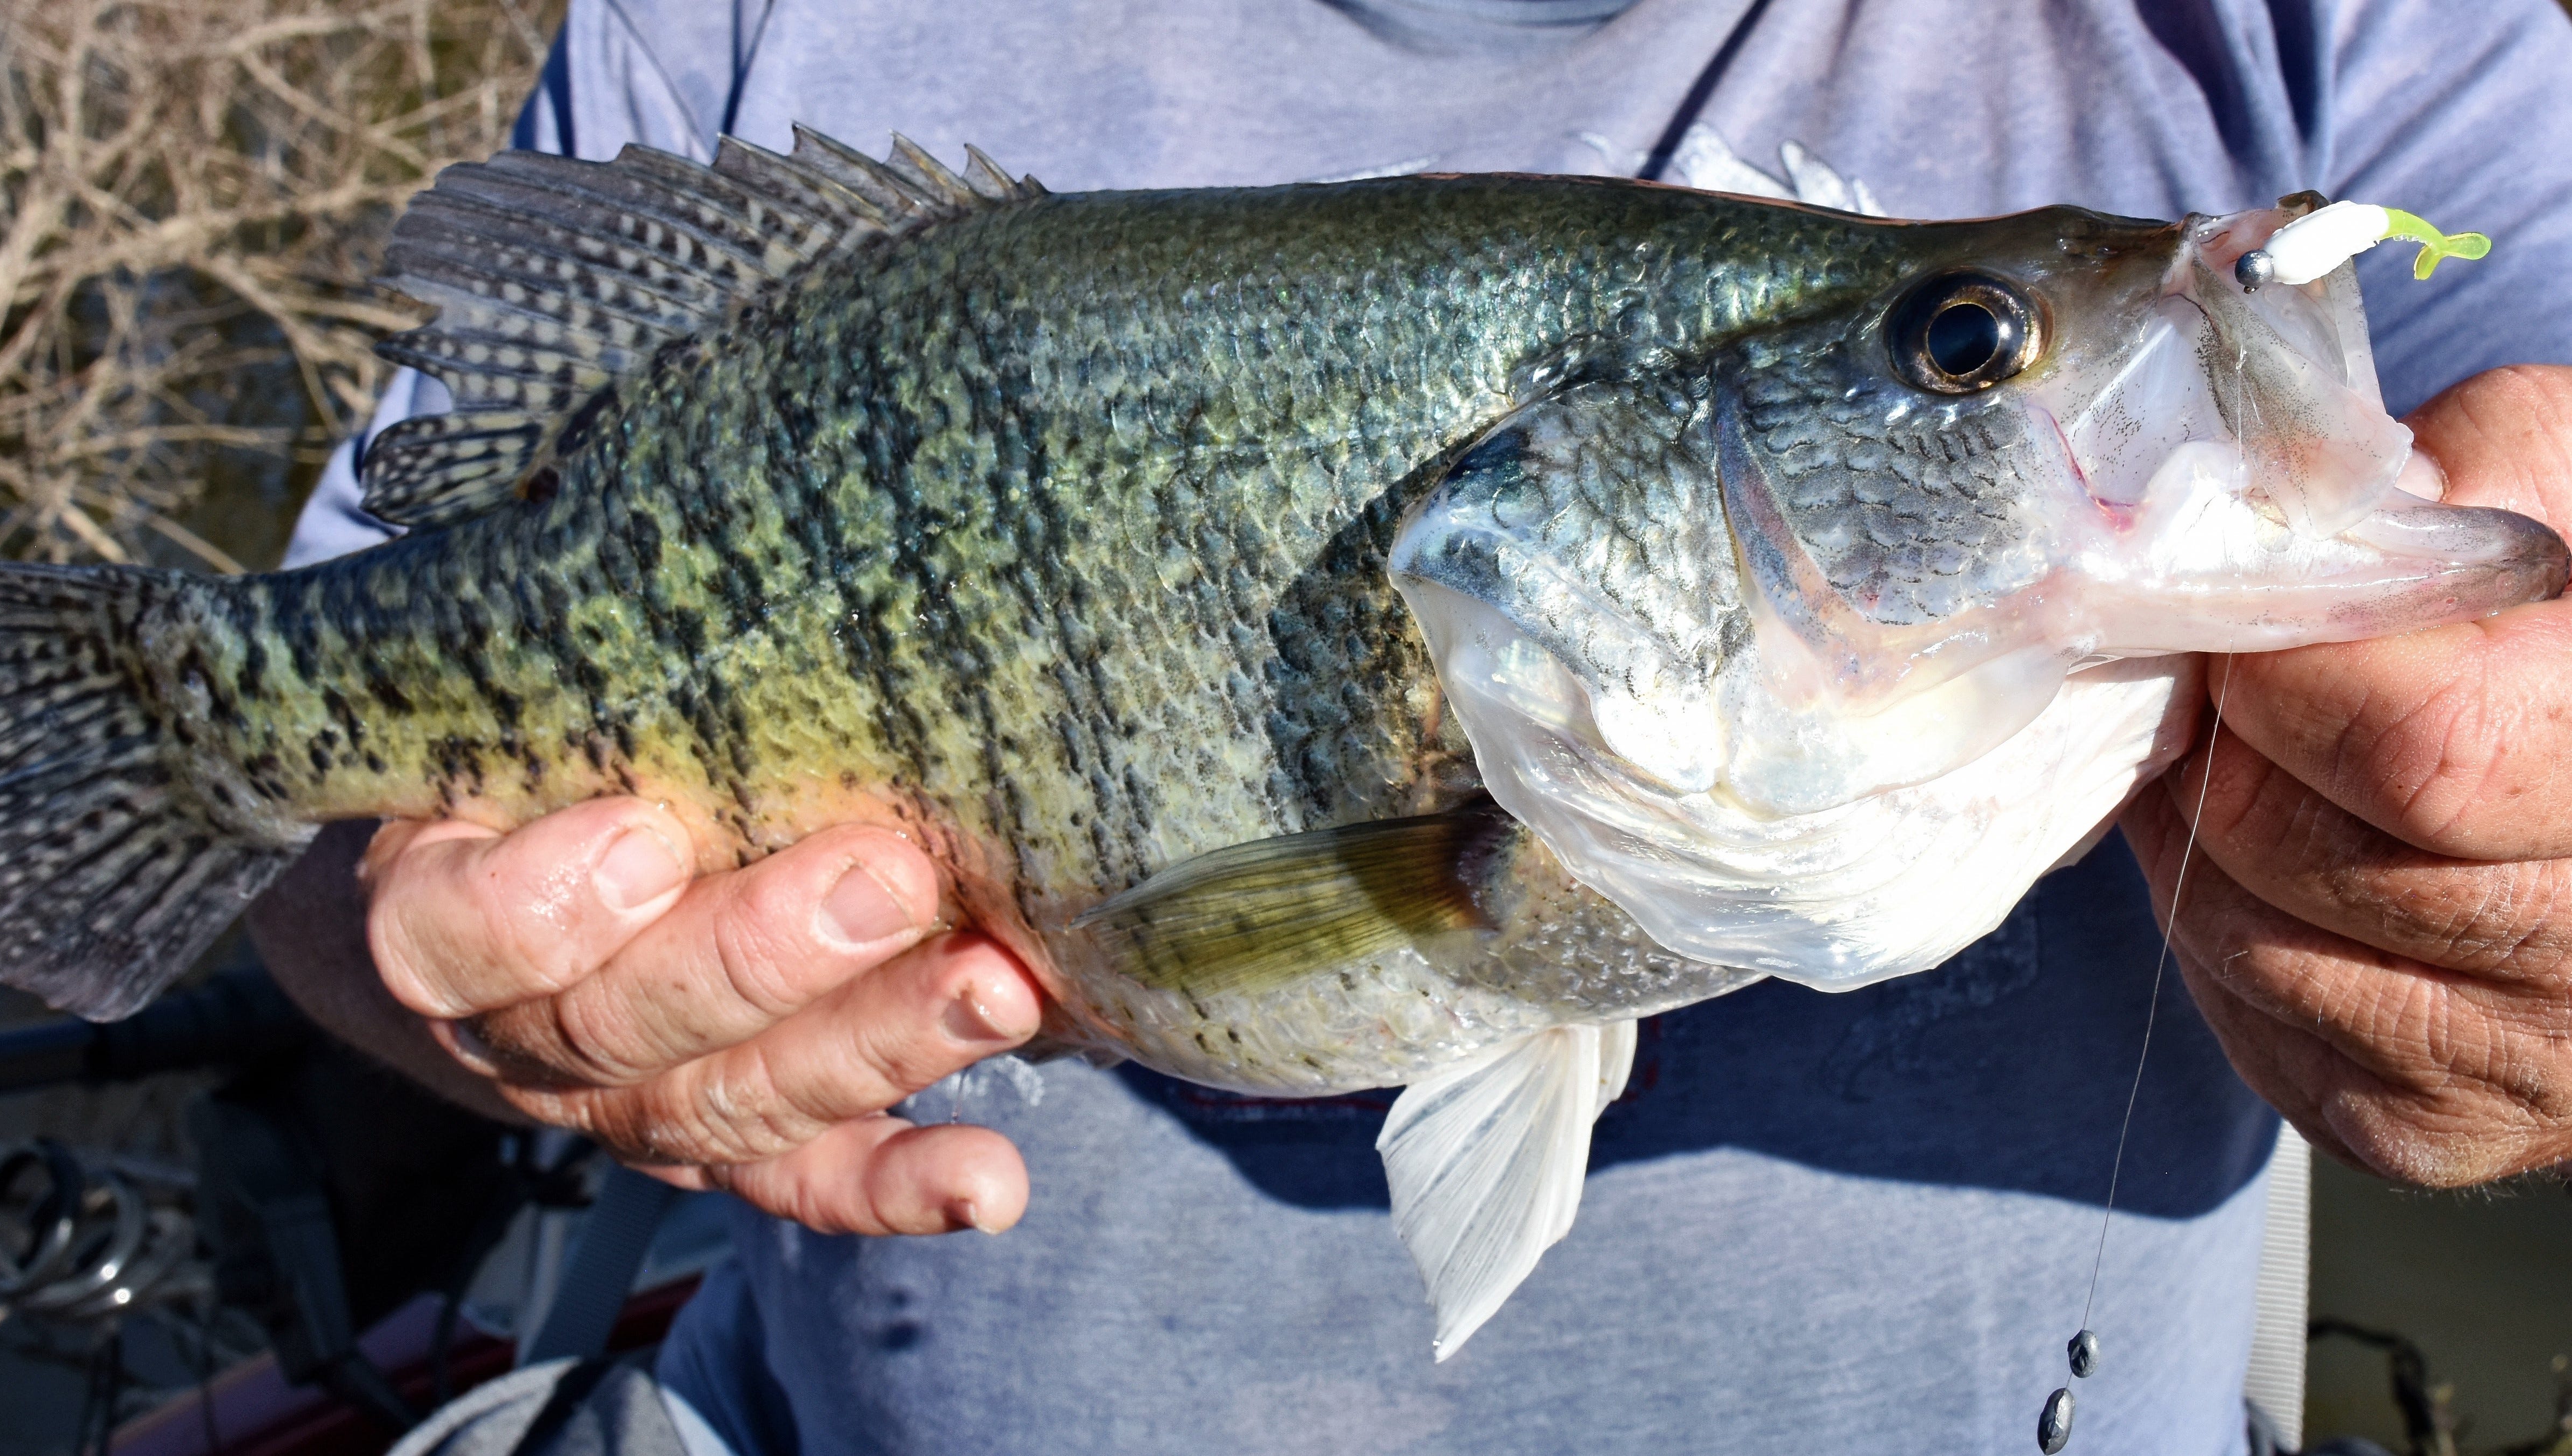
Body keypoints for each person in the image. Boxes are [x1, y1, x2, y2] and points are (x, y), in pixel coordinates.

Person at [248, 2, 2572, 1451]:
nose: (2026, 369)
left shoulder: (2340, 32)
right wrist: (471, 980)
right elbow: (316, 787)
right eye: (1960, 350)